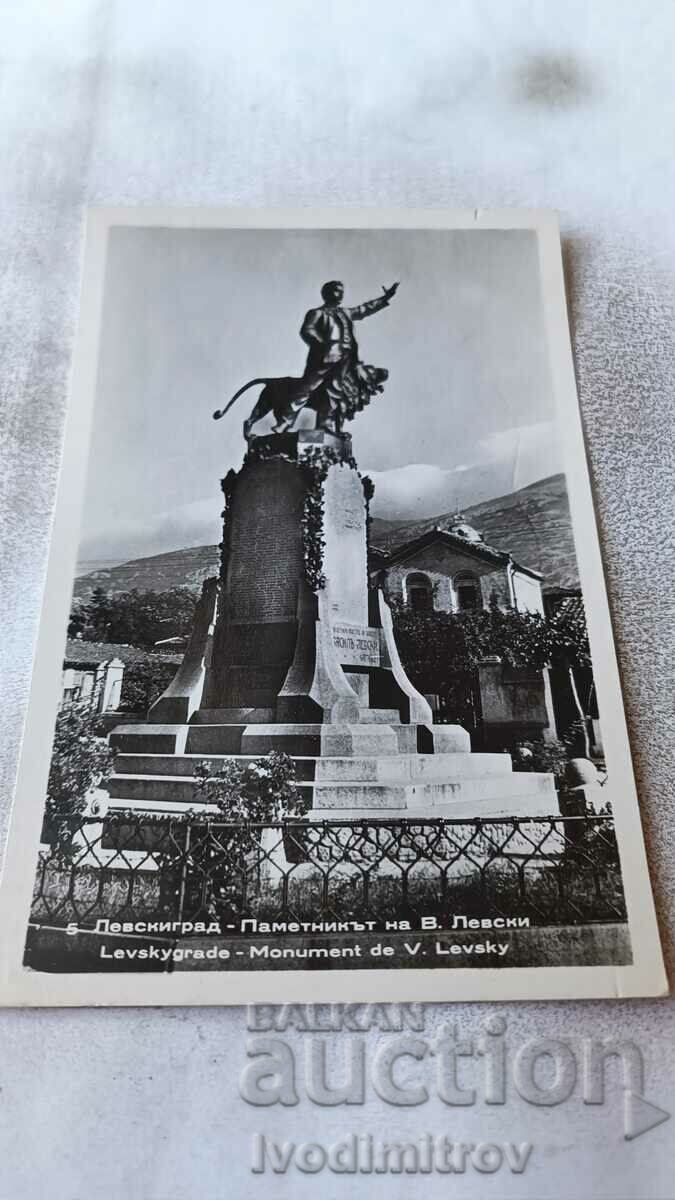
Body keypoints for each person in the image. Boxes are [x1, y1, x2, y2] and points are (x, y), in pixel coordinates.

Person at [273, 279, 399, 433]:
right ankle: (285, 422)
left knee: (333, 392)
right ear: (326, 293)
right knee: (307, 388)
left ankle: (325, 425)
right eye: (337, 290)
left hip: (344, 359)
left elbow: (364, 309)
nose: (341, 294)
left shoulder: (345, 312)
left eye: (342, 291)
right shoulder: (317, 313)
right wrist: (322, 343)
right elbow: (307, 330)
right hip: (323, 358)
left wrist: (385, 298)